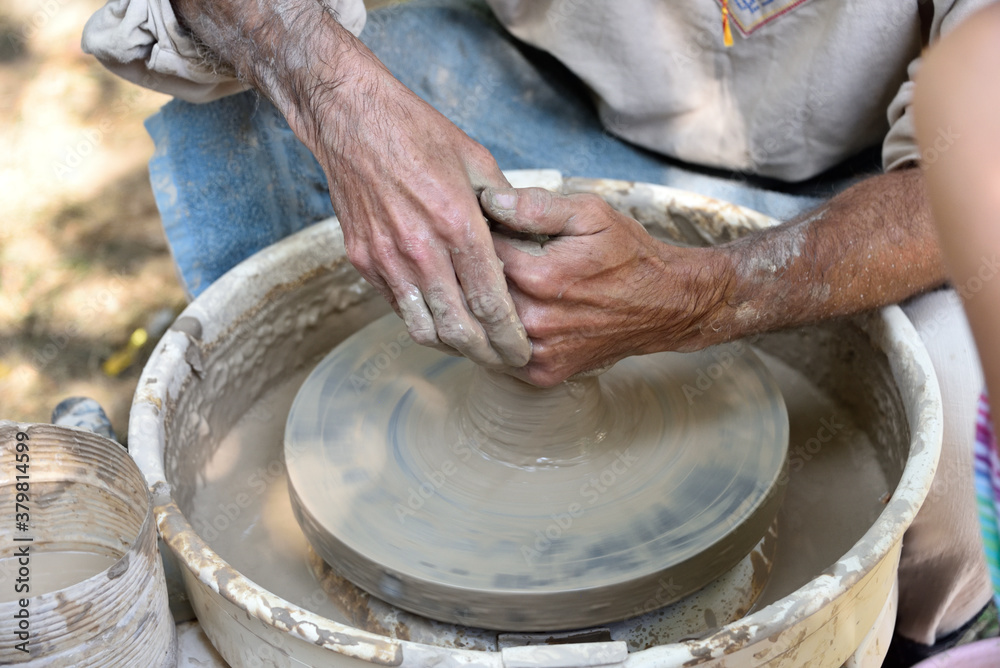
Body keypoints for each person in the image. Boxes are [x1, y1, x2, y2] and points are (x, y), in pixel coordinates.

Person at [81, 0, 996, 662]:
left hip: (875, 180)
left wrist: (709, 297)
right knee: (257, 99)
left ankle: (904, 638)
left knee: (956, 402)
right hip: (538, 112)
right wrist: (336, 98)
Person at [916, 0, 1000, 622]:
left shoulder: (973, 74)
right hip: (569, 116)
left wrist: (717, 292)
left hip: (869, 179)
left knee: (948, 371)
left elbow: (977, 84)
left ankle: (916, 628)